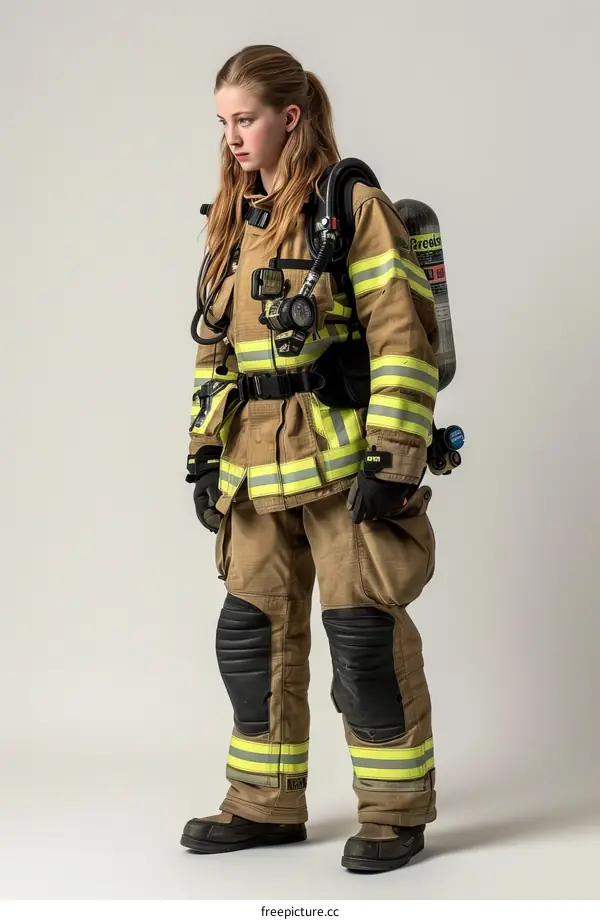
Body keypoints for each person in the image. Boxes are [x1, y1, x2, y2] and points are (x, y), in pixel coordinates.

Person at [180, 44, 440, 873]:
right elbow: (212, 354)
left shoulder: (348, 203)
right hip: (252, 472)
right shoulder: (231, 222)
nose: (233, 138)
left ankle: (396, 813)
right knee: (250, 640)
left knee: (362, 638)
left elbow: (401, 334)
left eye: (246, 118)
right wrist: (200, 457)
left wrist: (393, 455)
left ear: (291, 116)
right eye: (223, 122)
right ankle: (264, 804)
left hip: (342, 464)